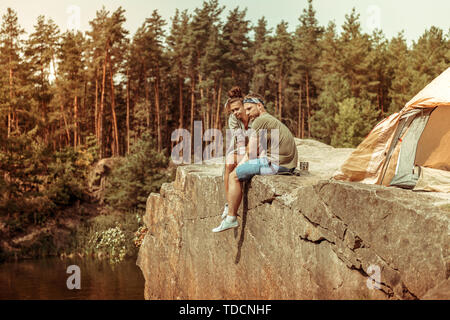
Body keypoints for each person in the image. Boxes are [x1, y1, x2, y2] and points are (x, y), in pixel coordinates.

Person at [212, 93, 298, 233]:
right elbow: (261, 148)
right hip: (287, 164)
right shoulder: (268, 119)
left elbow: (251, 153)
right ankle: (229, 207)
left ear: (259, 106)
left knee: (234, 175)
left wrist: (241, 167)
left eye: (249, 109)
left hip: (277, 165)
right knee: (238, 166)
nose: (247, 113)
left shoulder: (259, 121)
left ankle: (231, 218)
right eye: (245, 110)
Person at [220, 86, 252, 220]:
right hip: (242, 149)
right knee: (229, 163)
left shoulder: (254, 118)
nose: (235, 112)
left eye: (237, 109)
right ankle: (229, 203)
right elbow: (239, 142)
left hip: (257, 149)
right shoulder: (233, 119)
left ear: (245, 106)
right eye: (232, 110)